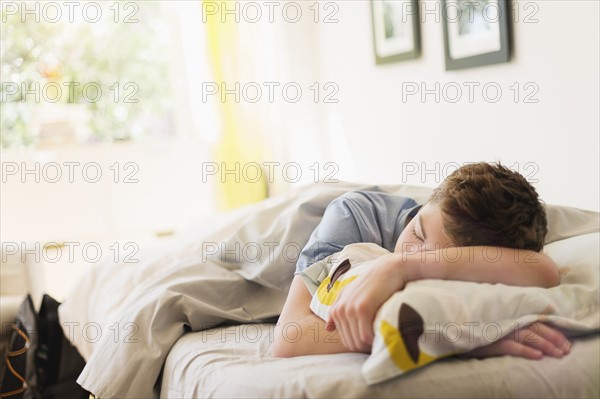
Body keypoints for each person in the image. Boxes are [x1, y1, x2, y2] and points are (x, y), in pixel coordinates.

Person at [271, 162, 571, 359]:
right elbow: (289, 338)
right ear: (424, 206)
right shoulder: (353, 220)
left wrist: (400, 268)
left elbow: (542, 271)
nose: (408, 253)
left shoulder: (492, 244)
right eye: (417, 233)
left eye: (437, 259)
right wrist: (459, 339)